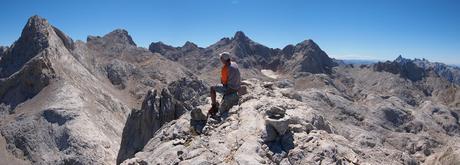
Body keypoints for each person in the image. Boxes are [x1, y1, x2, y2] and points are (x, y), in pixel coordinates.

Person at [208, 52, 241, 118]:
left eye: (221, 58)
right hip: (237, 86)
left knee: (212, 88)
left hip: (231, 89)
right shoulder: (234, 63)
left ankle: (214, 106)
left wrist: (222, 81)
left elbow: (224, 83)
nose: (220, 59)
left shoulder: (225, 68)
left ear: (223, 60)